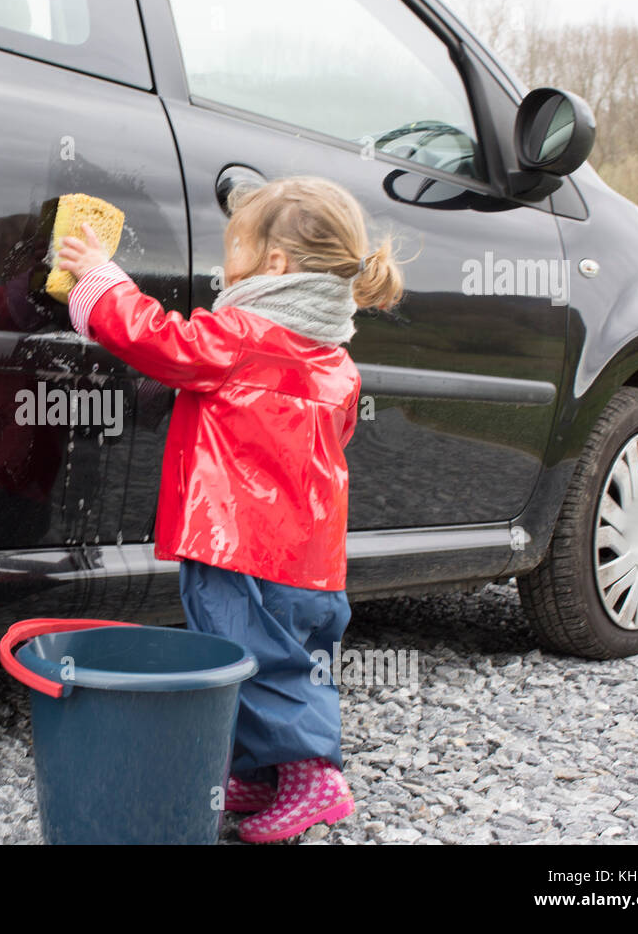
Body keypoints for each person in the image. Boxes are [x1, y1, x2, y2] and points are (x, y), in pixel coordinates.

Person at [55, 176, 406, 843]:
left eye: (234, 248)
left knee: (247, 654)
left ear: (275, 265)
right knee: (291, 653)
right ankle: (263, 769)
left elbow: (163, 341)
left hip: (239, 541)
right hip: (310, 557)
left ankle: (312, 778)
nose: (224, 264)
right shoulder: (335, 358)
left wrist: (102, 280)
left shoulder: (246, 335)